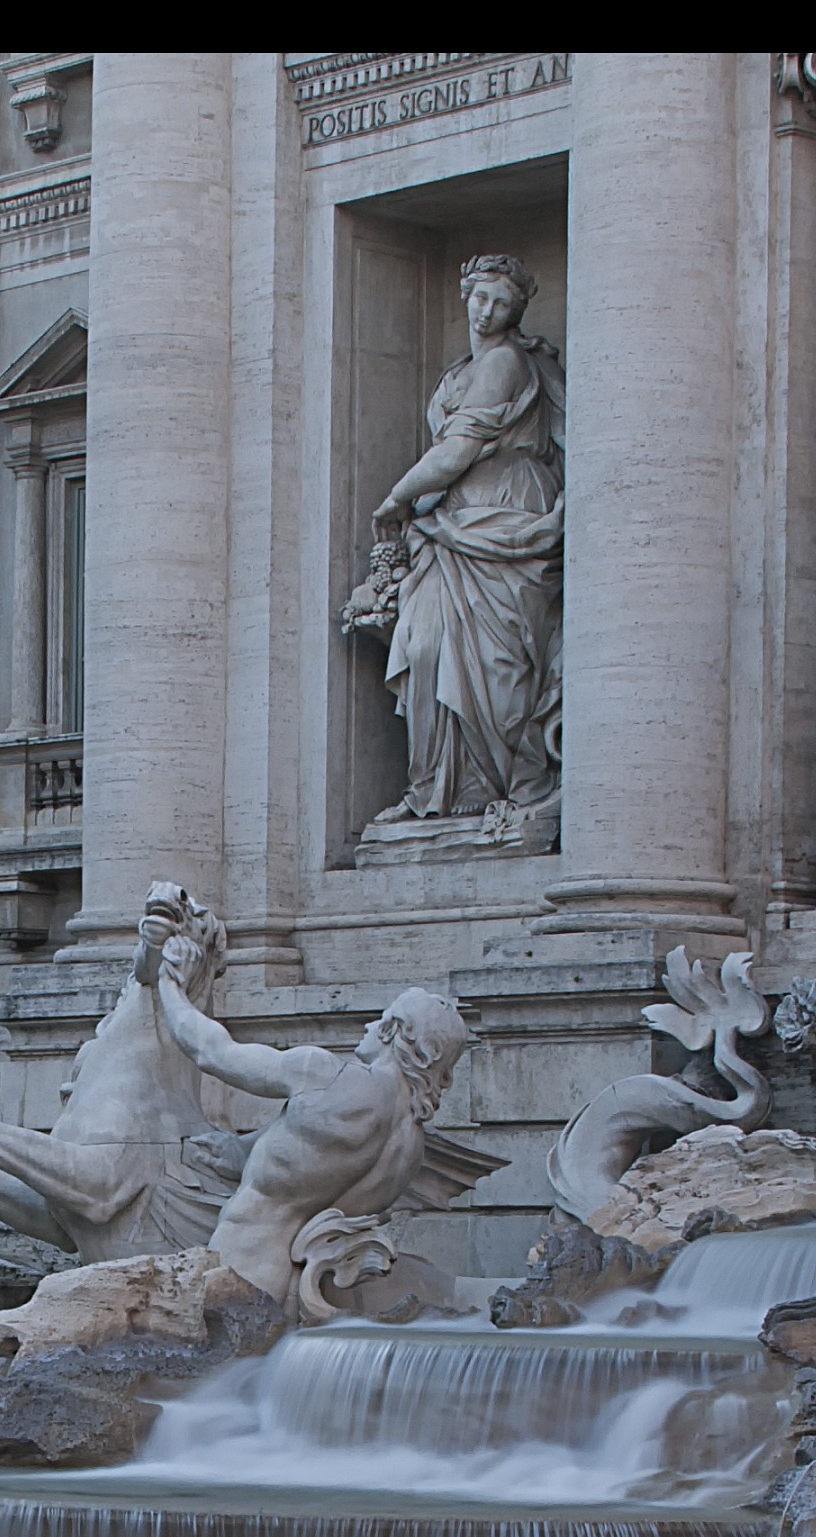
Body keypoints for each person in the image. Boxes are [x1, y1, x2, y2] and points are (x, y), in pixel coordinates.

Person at [146, 907, 471, 1304]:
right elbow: (311, 1171)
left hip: (239, 1273)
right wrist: (241, 1150)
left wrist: (170, 986)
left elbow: (212, 1051)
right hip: (305, 1296)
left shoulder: (328, 1075)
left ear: (391, 1031)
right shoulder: (410, 1147)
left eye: (378, 1020)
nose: (368, 1027)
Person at [360, 253, 564, 845]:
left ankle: (486, 790)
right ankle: (433, 791)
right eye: (481, 299)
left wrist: (395, 500)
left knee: (499, 669)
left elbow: (456, 454)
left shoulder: (505, 363)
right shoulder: (457, 371)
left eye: (503, 304)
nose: (489, 312)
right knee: (424, 646)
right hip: (451, 528)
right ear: (465, 294)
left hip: (505, 515)